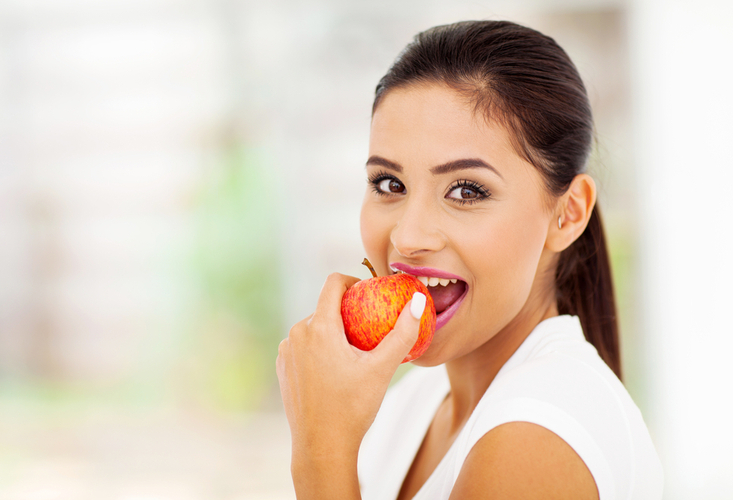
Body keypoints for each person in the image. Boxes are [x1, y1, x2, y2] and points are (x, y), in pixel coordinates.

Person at [276, 20, 663, 499]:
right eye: (389, 184)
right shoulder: (413, 402)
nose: (408, 236)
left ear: (567, 214)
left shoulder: (537, 437)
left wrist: (321, 455)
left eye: (466, 190)